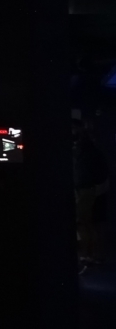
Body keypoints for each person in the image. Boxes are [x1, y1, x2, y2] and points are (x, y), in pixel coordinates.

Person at [73, 116, 108, 272]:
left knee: (84, 222)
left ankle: (88, 256)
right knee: (86, 223)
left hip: (85, 188)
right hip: (85, 188)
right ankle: (90, 255)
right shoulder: (88, 148)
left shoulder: (84, 149)